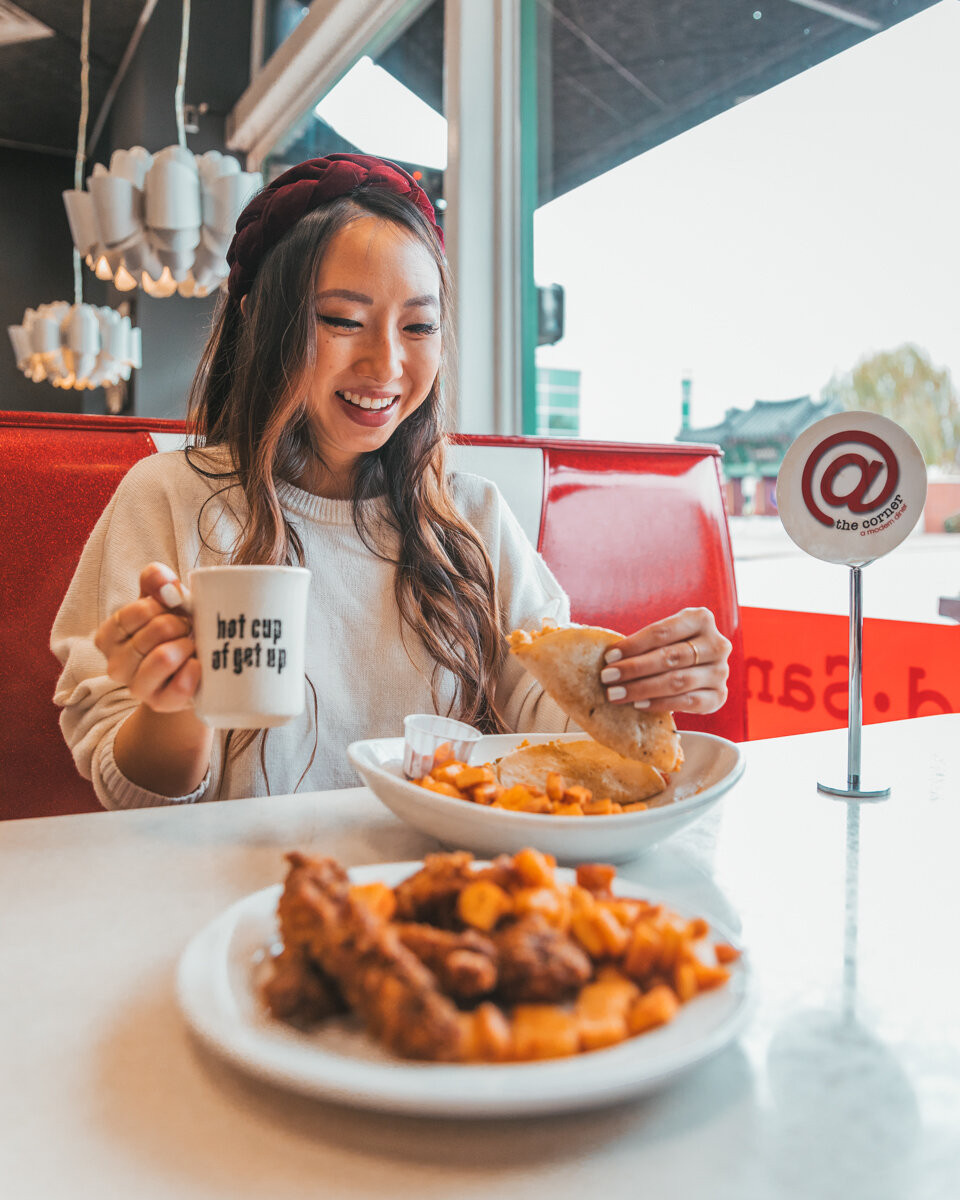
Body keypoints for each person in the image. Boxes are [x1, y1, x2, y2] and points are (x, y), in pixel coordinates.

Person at [51, 153, 731, 810]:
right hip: (236, 892)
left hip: (444, 891)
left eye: (419, 326)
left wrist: (642, 686)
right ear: (261, 318)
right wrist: (173, 706)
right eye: (343, 320)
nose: (386, 364)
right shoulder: (168, 497)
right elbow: (130, 791)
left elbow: (542, 710)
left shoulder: (472, 516)